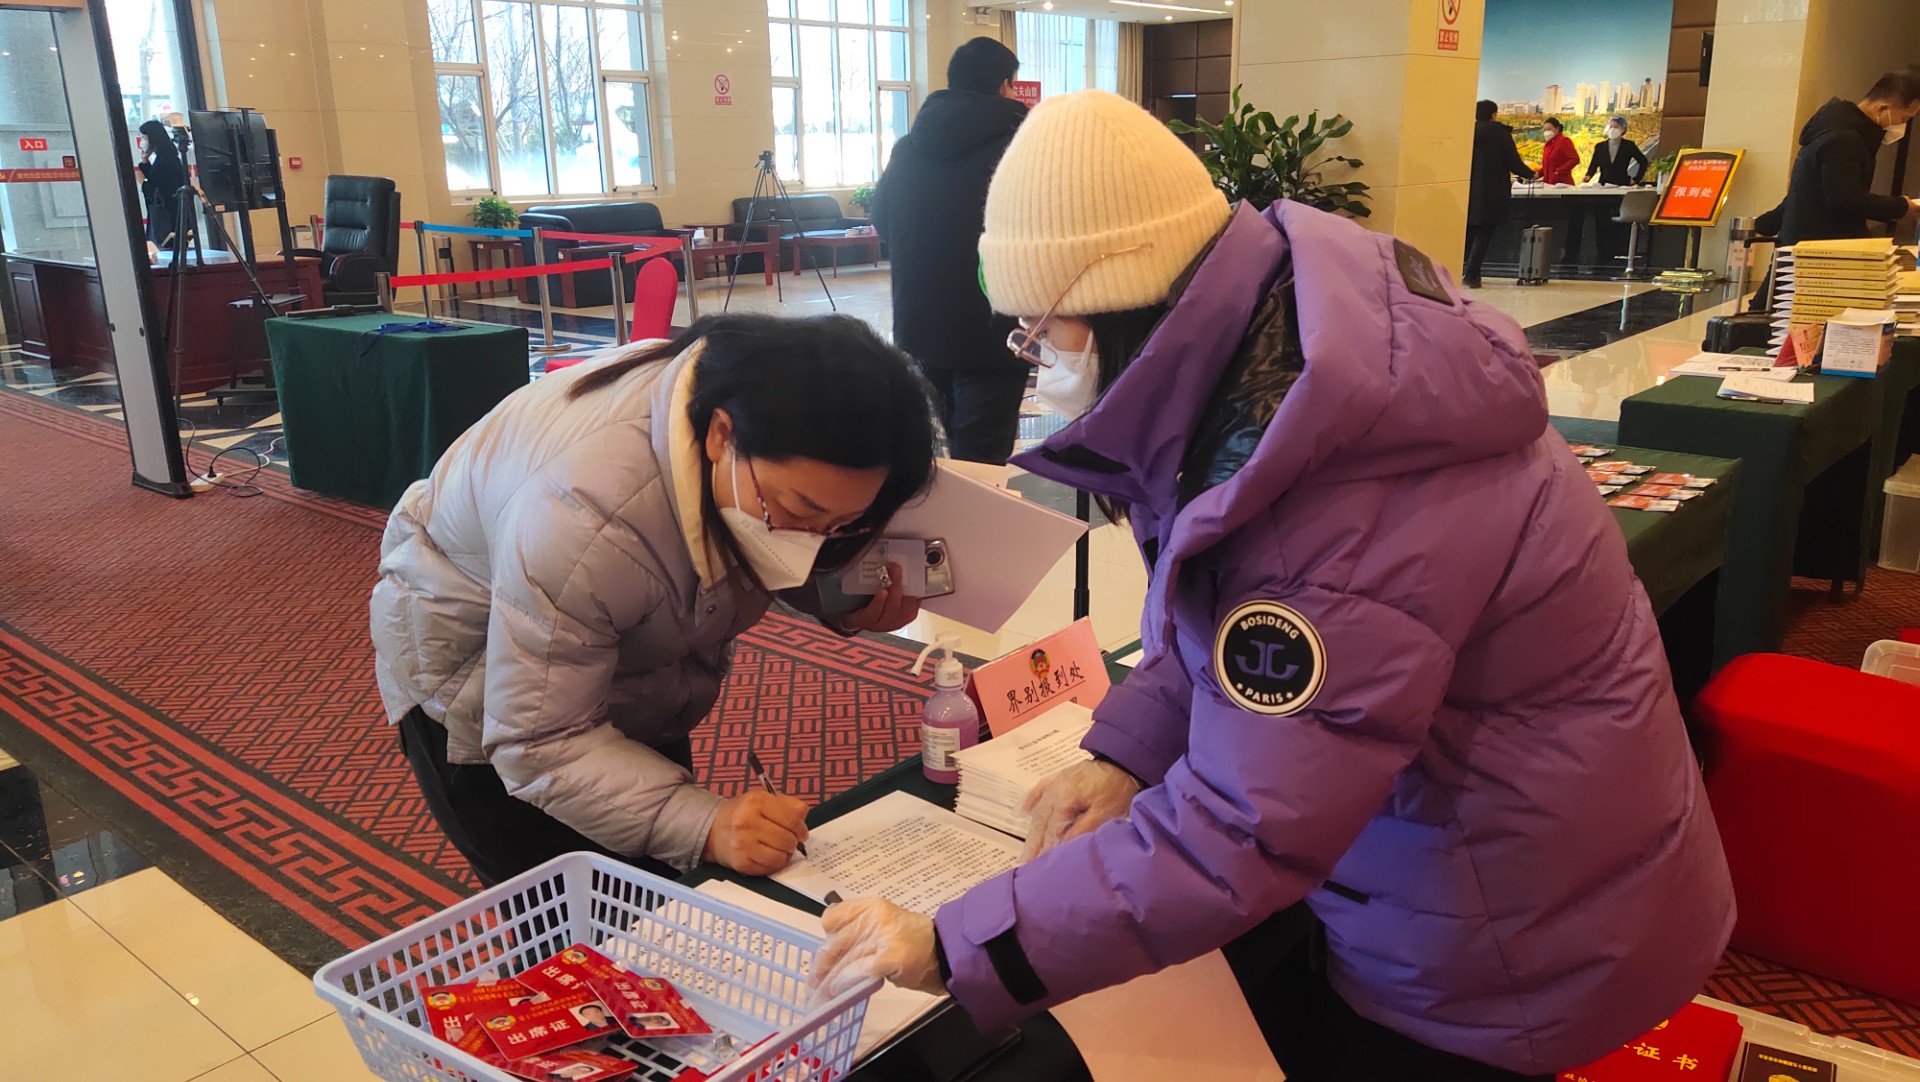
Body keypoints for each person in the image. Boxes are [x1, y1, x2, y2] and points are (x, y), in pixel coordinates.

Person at [809, 90, 1734, 1082]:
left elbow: (1243, 826)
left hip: (1503, 937)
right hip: (1507, 857)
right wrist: (1127, 753)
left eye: (1044, 332)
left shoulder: (1328, 491)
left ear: (1125, 302)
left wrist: (957, 945)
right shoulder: (1294, 366)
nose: (1037, 369)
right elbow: (1224, 630)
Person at [371, 315, 939, 886]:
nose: (812, 541)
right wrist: (707, 825)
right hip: (479, 678)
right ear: (721, 435)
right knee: (568, 910)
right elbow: (537, 740)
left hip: (627, 661)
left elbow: (765, 544)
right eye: (797, 512)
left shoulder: (742, 411)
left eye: (842, 525)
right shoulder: (583, 516)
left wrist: (841, 597)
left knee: (657, 870)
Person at [870, 39, 1031, 464]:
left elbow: (882, 217)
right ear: (1005, 85)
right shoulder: (1020, 147)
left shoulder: (908, 148)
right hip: (993, 328)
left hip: (921, 323)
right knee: (983, 453)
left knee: (947, 440)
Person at [1749, 72, 1920, 310]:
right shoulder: (1845, 140)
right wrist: (1901, 206)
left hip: (1803, 244)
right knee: (1780, 319)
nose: (1904, 124)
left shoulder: (1834, 129)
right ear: (1882, 109)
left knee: (1771, 313)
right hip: (1818, 254)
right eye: (1906, 117)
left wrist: (1767, 223)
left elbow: (1808, 189)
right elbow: (1843, 199)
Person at [1464, 100, 1534, 288]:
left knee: (1469, 234)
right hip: (1492, 193)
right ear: (1493, 115)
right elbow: (1513, 162)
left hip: (1468, 191)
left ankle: (1464, 271)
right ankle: (1471, 274)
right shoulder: (1501, 135)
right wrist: (1531, 174)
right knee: (1484, 234)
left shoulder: (1467, 133)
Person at [1584, 116, 1651, 264]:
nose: (1612, 129)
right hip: (1603, 187)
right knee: (1601, 220)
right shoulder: (1600, 147)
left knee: (1620, 223)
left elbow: (1643, 161)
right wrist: (1588, 176)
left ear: (1622, 129)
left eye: (1616, 127)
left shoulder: (1629, 146)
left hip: (1622, 186)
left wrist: (1636, 179)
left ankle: (1619, 251)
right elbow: (1594, 164)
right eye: (1611, 126)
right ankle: (1602, 253)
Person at [135, 119, 186, 249]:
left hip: (167, 218)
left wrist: (143, 182)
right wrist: (145, 162)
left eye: (144, 137)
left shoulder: (167, 160)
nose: (142, 141)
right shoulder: (164, 157)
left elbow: (157, 190)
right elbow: (154, 179)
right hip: (166, 216)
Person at [1536, 116, 1578, 185]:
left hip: (1562, 184)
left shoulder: (1564, 141)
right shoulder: (1548, 145)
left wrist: (1558, 171)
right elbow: (1548, 165)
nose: (1546, 132)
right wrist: (1539, 174)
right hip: (1549, 184)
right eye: (1544, 130)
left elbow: (1574, 159)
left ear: (1557, 128)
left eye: (1549, 129)